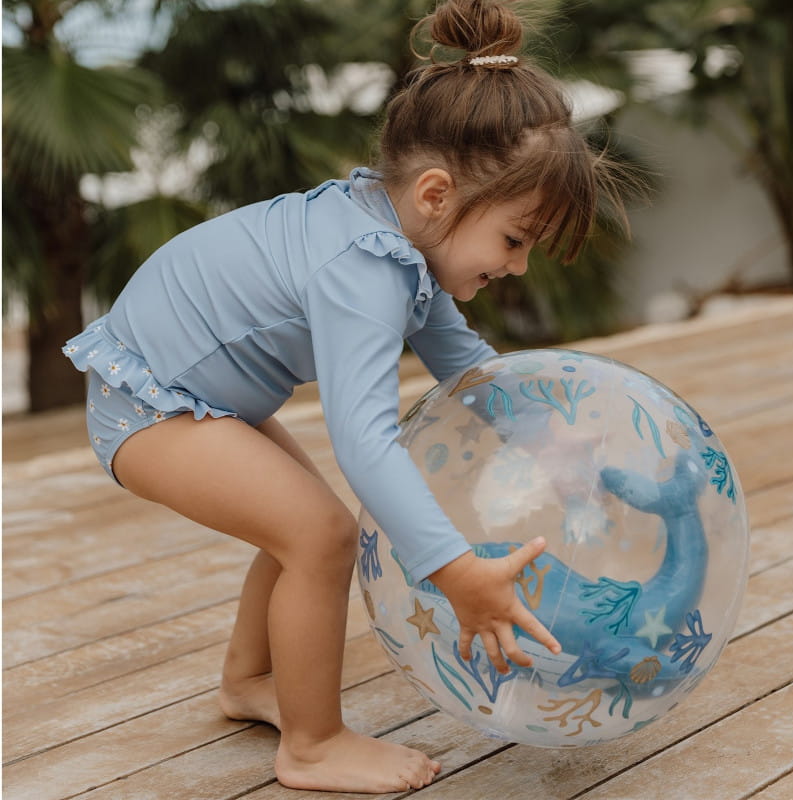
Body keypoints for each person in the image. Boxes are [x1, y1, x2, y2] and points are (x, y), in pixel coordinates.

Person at [63, 0, 628, 792]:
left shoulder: (394, 239)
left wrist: (545, 439)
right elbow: (365, 439)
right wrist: (454, 570)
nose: (519, 266)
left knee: (299, 524)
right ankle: (312, 744)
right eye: (513, 238)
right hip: (150, 402)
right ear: (435, 194)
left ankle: (249, 680)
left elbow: (464, 368)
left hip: (188, 391)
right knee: (320, 534)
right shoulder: (364, 270)